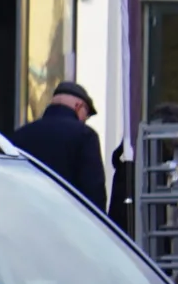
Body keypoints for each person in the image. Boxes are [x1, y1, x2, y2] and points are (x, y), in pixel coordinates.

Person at [10, 80, 108, 211]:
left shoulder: (20, 135)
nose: (85, 120)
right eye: (86, 115)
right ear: (78, 106)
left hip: (27, 216)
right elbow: (94, 194)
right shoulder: (85, 136)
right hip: (66, 219)